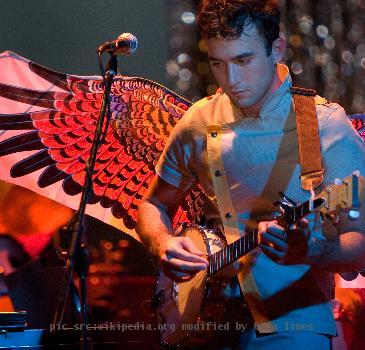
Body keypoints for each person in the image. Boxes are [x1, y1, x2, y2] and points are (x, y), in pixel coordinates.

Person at [136, 0, 365, 349]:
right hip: (205, 327)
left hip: (295, 327)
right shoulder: (198, 121)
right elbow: (154, 204)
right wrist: (163, 243)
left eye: (243, 60)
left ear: (277, 49)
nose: (231, 79)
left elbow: (361, 245)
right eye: (218, 63)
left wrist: (314, 250)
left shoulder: (325, 124)